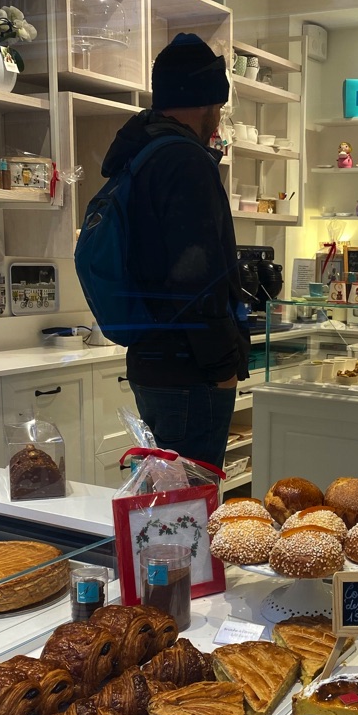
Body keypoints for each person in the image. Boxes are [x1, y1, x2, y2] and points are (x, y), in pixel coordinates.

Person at [100, 32, 249, 470]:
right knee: (191, 510)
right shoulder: (184, 162)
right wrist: (223, 365)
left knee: (164, 507)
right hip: (190, 370)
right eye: (219, 106)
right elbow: (196, 279)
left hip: (153, 360)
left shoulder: (140, 154)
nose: (218, 118)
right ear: (203, 99)